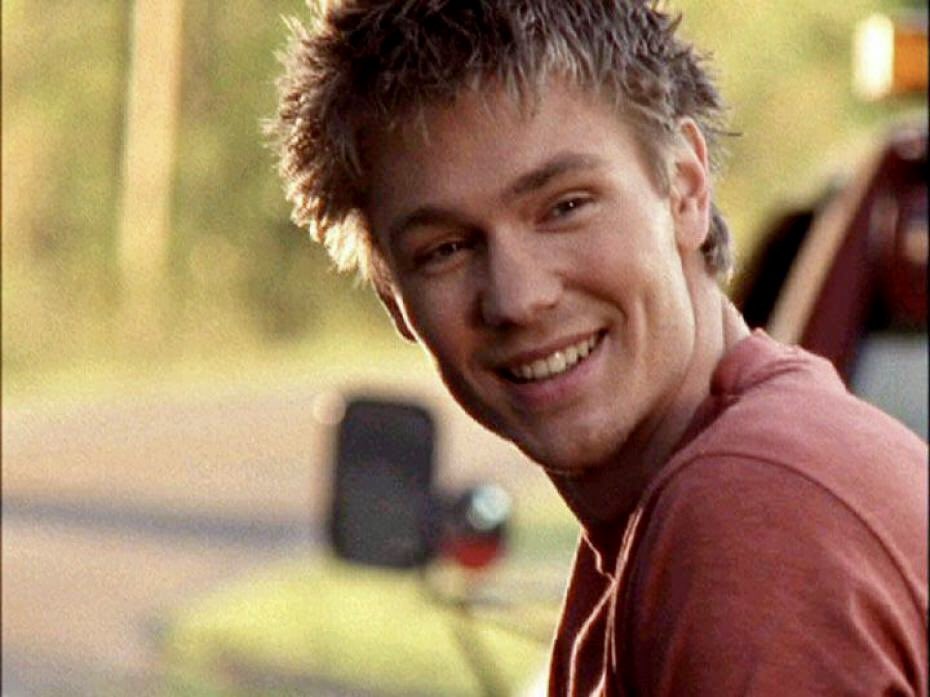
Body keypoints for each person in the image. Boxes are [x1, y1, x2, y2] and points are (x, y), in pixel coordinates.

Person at [267, 1, 928, 694]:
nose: (518, 298)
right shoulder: (680, 513)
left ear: (685, 188)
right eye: (446, 249)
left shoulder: (753, 517)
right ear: (392, 298)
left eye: (565, 206)